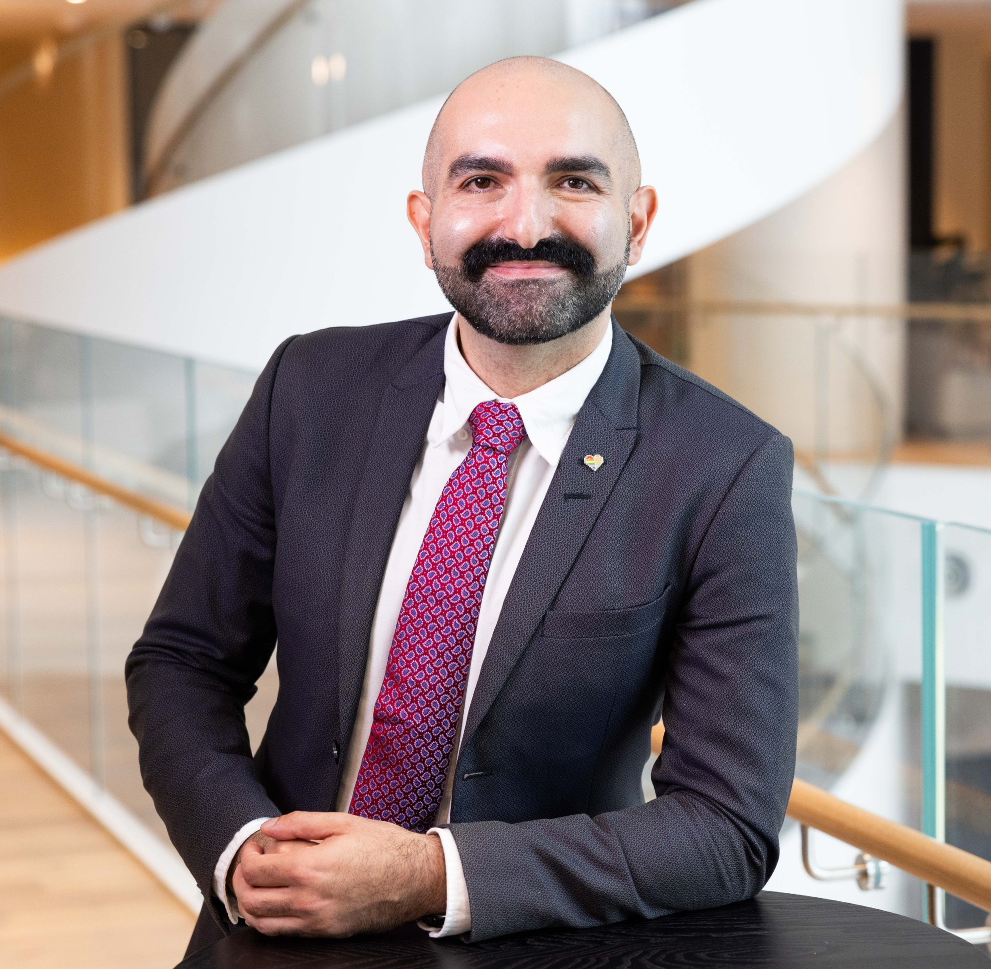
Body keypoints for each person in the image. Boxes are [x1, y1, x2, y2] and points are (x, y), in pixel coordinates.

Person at [126, 56, 798, 957]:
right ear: (426, 220)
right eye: (481, 180)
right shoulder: (308, 388)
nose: (526, 223)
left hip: (531, 945)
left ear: (636, 223)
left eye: (573, 181)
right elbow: (181, 659)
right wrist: (243, 846)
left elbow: (725, 824)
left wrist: (427, 876)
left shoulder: (724, 466)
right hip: (269, 934)